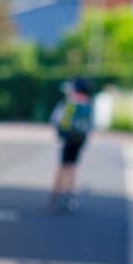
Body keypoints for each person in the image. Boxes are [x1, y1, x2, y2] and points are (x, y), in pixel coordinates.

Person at [50, 77, 95, 212]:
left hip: (68, 138)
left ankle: (59, 194)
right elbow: (91, 124)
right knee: (73, 166)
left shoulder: (70, 101)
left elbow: (56, 118)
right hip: (80, 139)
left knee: (64, 165)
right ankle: (69, 194)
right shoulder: (88, 103)